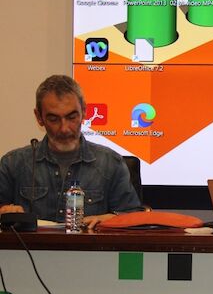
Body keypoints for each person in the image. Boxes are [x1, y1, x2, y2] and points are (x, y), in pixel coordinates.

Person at [0, 75, 141, 229]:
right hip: (29, 245)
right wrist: (5, 212)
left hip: (90, 245)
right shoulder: (13, 164)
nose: (64, 128)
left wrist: (110, 219)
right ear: (39, 117)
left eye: (72, 117)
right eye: (54, 119)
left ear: (84, 112)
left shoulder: (111, 163)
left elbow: (134, 218)